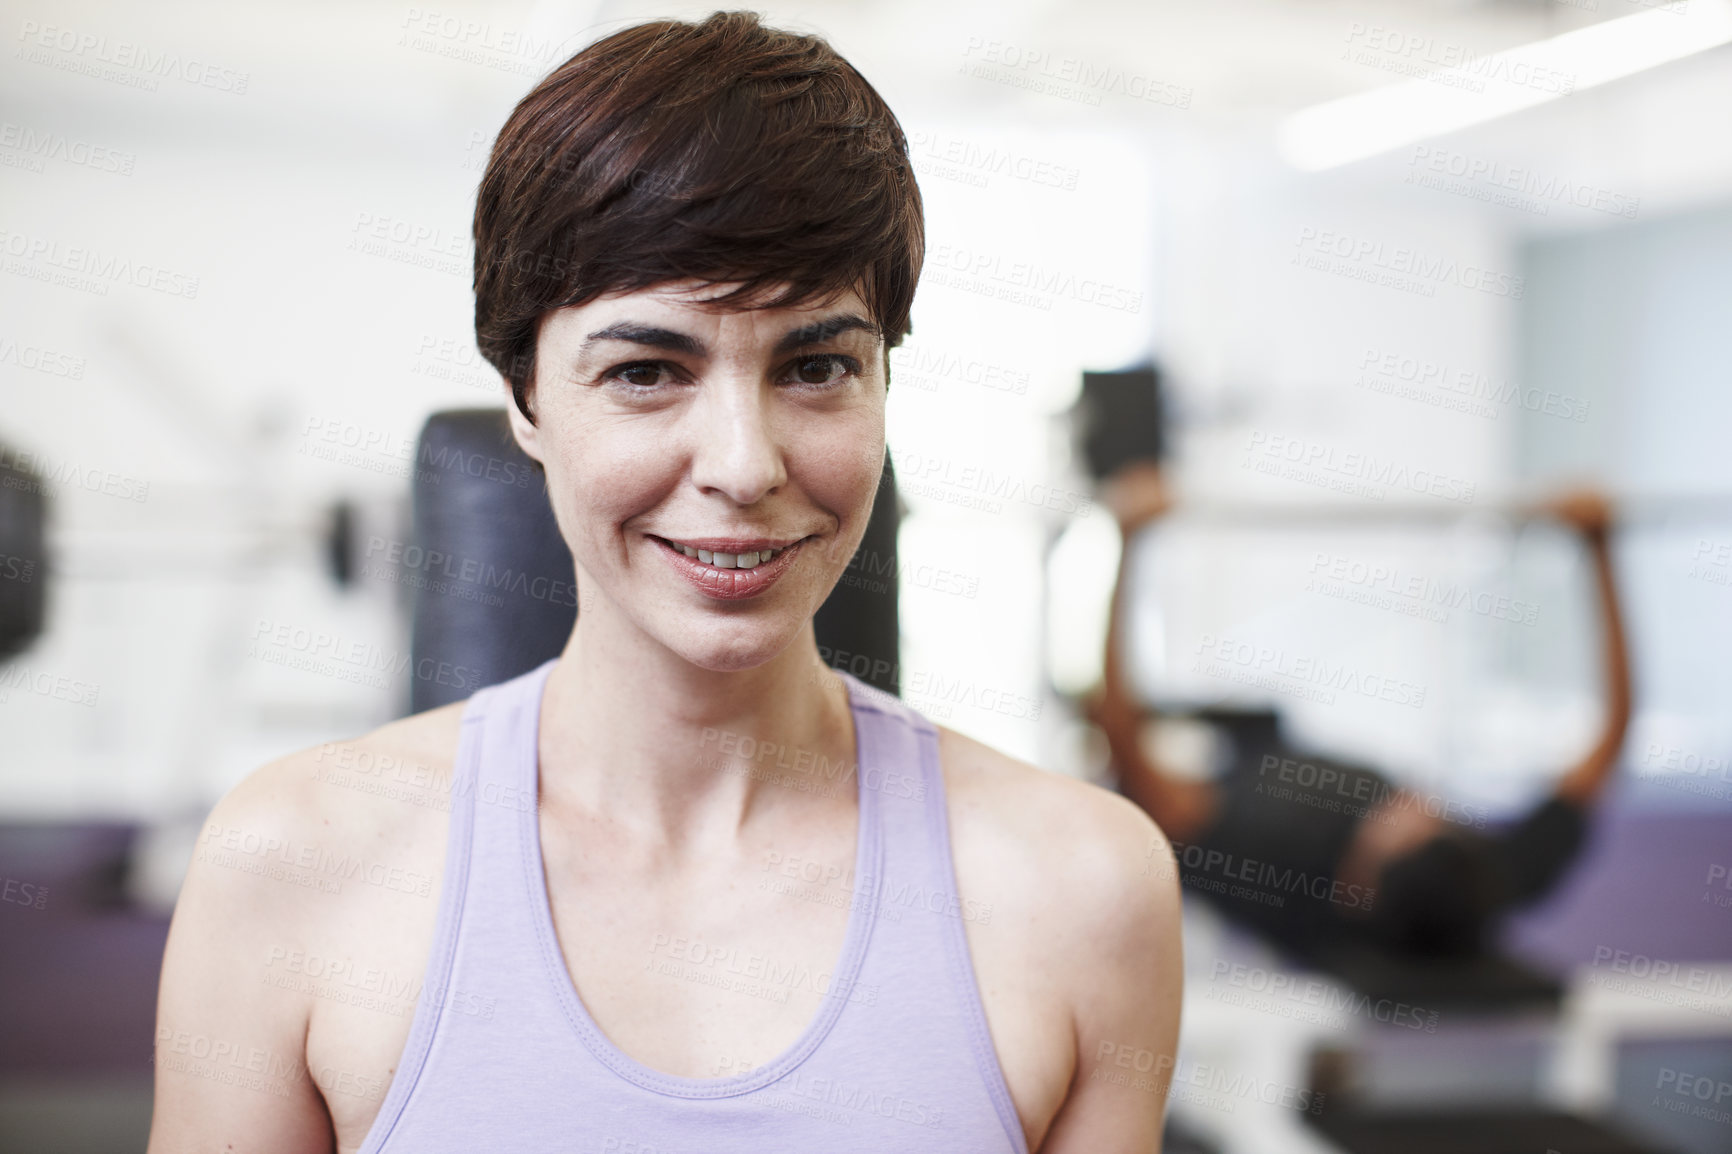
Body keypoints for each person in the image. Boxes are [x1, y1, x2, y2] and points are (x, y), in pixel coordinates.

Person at [148, 13, 1182, 1153]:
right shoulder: (287, 865)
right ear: (526, 399)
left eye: (818, 365)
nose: (743, 465)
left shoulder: (1086, 886)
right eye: (646, 370)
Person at [1086, 462, 1632, 963]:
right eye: (1434, 819)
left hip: (1220, 763)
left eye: (1402, 826)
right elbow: (1613, 730)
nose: (1419, 804)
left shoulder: (1260, 858)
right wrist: (1599, 550)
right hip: (1260, 747)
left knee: (1115, 733)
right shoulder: (1490, 879)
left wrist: (1128, 545)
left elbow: (1120, 737)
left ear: (1359, 879)